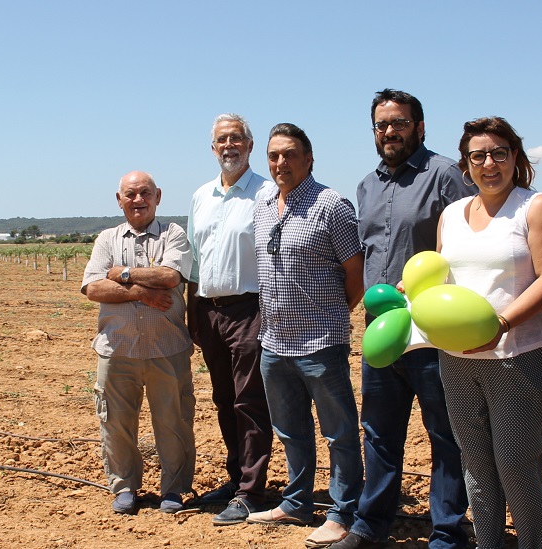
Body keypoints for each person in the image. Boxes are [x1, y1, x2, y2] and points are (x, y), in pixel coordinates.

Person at [334, 89, 472, 549]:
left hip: (431, 330)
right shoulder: (366, 186)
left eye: (398, 123)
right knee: (378, 433)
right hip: (381, 332)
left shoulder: (446, 175)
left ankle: (448, 532)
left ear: (420, 126)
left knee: (445, 435)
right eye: (381, 125)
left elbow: (469, 243)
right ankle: (372, 526)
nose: (389, 132)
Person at [435, 117, 542, 549]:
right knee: (475, 465)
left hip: (517, 356)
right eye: (478, 156)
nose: (489, 164)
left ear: (515, 157)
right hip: (456, 359)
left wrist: (500, 324)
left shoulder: (534, 206)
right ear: (466, 165)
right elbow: (439, 276)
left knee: (516, 467)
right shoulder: (451, 215)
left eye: (499, 153)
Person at [247, 122, 365, 548]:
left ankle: (343, 511)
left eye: (291, 154)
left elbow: (356, 272)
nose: (281, 162)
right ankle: (296, 502)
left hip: (321, 343)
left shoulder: (332, 205)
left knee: (339, 433)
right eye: (274, 155)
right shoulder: (262, 205)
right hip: (274, 343)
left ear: (309, 158)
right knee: (291, 430)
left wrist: (334, 315)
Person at [81, 171, 196, 515]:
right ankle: (124, 487)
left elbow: (170, 276)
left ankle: (174, 491)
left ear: (157, 196)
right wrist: (144, 294)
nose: (138, 200)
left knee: (173, 422)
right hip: (117, 350)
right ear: (119, 200)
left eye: (145, 193)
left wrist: (122, 273)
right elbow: (93, 288)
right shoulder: (107, 239)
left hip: (168, 348)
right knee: (115, 422)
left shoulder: (174, 234)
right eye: (130, 194)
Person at [185, 114, 276, 525]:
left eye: (236, 138)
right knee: (224, 400)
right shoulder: (201, 196)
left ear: (250, 145)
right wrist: (192, 313)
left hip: (250, 310)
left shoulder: (267, 192)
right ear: (212, 148)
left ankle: (252, 491)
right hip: (209, 311)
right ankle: (236, 478)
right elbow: (194, 261)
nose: (228, 146)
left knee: (249, 401)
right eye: (221, 140)